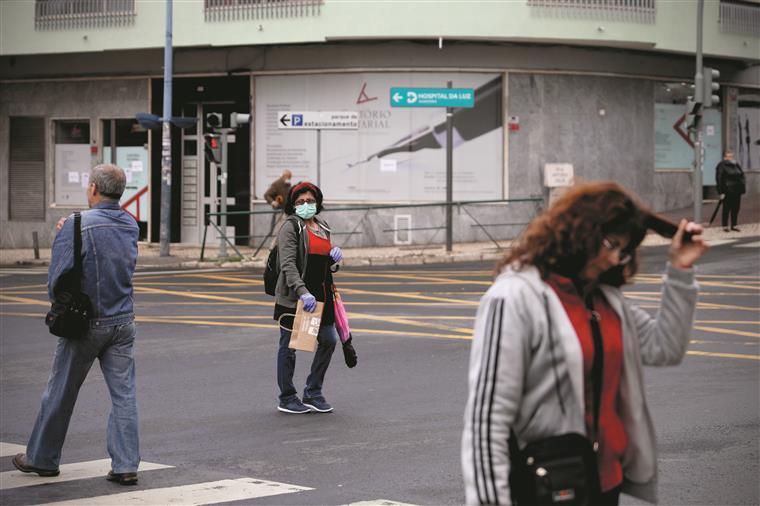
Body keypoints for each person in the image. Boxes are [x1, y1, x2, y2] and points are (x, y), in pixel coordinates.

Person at [461, 182, 709, 505]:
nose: (613, 259)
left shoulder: (604, 300)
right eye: (610, 244)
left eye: (623, 252)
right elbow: (486, 421)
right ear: (580, 230)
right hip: (544, 483)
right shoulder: (514, 297)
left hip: (602, 484)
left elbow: (665, 346)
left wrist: (680, 268)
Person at [12, 164, 141, 486]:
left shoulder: (76, 224)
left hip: (86, 323)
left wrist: (67, 230)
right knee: (124, 395)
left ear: (94, 188)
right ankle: (126, 465)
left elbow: (57, 279)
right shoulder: (130, 223)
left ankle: (42, 459)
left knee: (60, 392)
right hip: (123, 321)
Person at [273, 181, 343, 414]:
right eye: (300, 202)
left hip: (322, 296)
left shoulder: (322, 226)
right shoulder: (290, 227)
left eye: (310, 201)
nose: (306, 205)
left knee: (329, 340)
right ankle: (287, 397)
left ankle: (313, 392)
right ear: (293, 205)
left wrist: (334, 259)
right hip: (298, 297)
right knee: (289, 347)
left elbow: (322, 264)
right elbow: (288, 265)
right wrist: (303, 292)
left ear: (318, 202)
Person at [715, 149, 746, 232]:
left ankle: (734, 225)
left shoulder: (736, 164)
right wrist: (721, 191)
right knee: (727, 208)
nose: (730, 158)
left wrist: (742, 183)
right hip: (727, 190)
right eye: (728, 156)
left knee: (736, 208)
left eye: (731, 156)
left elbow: (742, 174)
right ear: (724, 157)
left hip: (737, 190)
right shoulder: (721, 165)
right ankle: (725, 226)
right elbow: (719, 178)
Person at [262, 170, 293, 250]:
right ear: (284, 176)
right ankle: (272, 246)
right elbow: (267, 195)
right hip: (280, 211)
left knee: (286, 229)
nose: (289, 179)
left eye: (289, 177)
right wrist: (273, 202)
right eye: (288, 177)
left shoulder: (287, 184)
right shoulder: (277, 184)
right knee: (279, 229)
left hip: (287, 211)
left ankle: (281, 246)